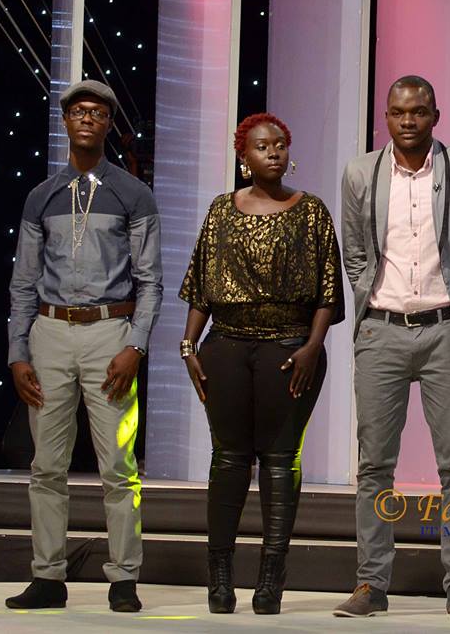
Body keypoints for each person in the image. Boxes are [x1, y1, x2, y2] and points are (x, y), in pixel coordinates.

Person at [333, 75, 450, 622]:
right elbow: (355, 250)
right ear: (386, 116)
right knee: (375, 464)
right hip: (381, 330)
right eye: (398, 112)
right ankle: (371, 583)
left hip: (446, 330)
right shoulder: (360, 171)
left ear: (435, 115)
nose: (408, 121)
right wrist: (371, 301)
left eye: (419, 111)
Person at [6, 80, 163, 612]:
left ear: (108, 123)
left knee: (118, 465)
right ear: (66, 121)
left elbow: (151, 280)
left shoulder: (132, 193)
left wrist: (135, 346)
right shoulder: (41, 196)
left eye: (97, 112)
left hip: (109, 333)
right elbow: (23, 283)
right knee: (46, 466)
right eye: (78, 111)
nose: (87, 118)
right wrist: (18, 353)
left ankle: (124, 578)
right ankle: (48, 576)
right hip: (50, 334)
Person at [179, 112, 344, 615]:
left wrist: (312, 347)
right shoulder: (220, 210)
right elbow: (201, 286)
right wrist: (188, 346)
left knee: (279, 458)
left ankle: (271, 576)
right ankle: (220, 574)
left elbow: (329, 290)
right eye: (261, 146)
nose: (272, 152)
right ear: (243, 157)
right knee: (229, 458)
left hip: (289, 348)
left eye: (279, 145)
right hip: (226, 345)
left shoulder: (310, 211)